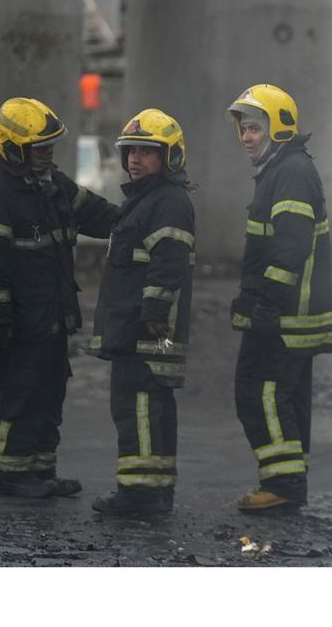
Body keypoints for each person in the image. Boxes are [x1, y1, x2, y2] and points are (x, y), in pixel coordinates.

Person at [0, 97, 119, 499]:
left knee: (50, 393)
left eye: (50, 146)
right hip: (21, 323)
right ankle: (7, 475)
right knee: (19, 396)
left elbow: (95, 213)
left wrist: (138, 218)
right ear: (13, 148)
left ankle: (40, 472)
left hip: (52, 318)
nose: (48, 154)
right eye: (40, 148)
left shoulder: (52, 184)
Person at [226, 84, 332, 513]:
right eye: (244, 129)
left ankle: (284, 485)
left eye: (255, 128)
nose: (247, 137)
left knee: (259, 392)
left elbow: (289, 248)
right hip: (295, 313)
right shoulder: (284, 169)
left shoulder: (288, 173)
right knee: (285, 397)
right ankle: (289, 481)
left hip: (286, 315)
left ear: (280, 130)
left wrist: (265, 304)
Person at [89, 109, 196, 518]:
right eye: (130, 151)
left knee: (137, 405)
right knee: (152, 406)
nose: (135, 158)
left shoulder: (167, 201)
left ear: (169, 157)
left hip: (147, 327)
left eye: (147, 152)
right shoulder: (147, 200)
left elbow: (168, 260)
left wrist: (152, 309)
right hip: (144, 325)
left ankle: (139, 495)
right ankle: (156, 489)